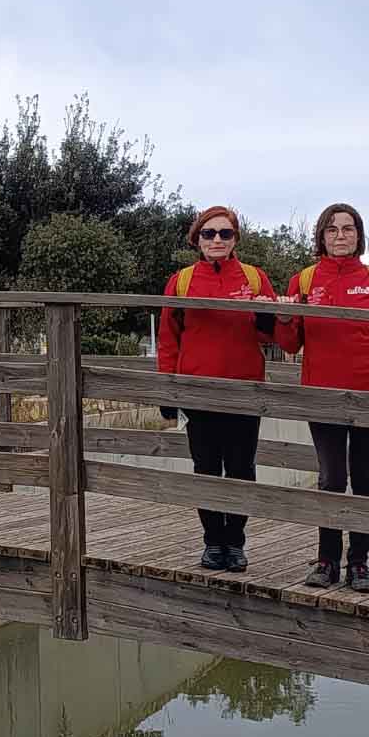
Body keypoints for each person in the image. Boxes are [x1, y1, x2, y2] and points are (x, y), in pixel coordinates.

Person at [274, 203, 369, 593]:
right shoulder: (305, 280)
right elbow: (291, 344)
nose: (340, 235)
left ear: (360, 235)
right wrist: (282, 317)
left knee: (365, 480)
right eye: (332, 229)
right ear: (321, 236)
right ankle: (327, 559)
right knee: (331, 479)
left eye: (348, 229)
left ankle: (359, 563)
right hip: (323, 394)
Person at [157, 206, 279, 572]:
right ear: (197, 238)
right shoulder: (180, 281)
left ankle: (236, 543)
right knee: (206, 467)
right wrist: (167, 389)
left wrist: (269, 314)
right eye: (209, 234)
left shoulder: (256, 279)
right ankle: (212, 541)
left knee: (242, 469)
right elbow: (168, 338)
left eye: (225, 234)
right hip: (199, 391)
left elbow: (272, 335)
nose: (217, 240)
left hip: (244, 390)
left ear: (235, 239)